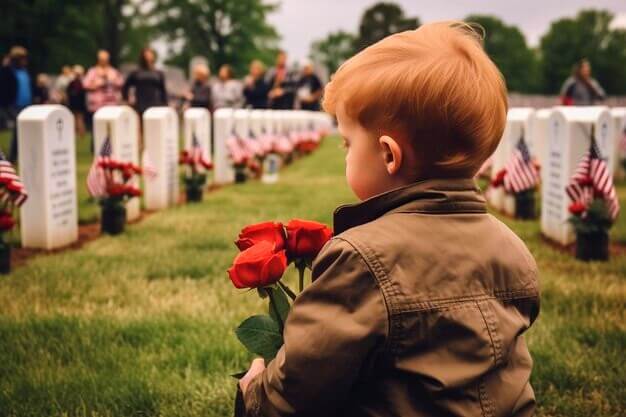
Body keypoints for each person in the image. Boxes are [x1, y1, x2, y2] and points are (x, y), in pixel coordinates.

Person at [239, 21, 540, 417]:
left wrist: (254, 392)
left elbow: (300, 388)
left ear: (389, 155)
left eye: (348, 143)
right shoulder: (512, 247)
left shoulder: (361, 259)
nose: (345, 153)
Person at [0, 46, 34, 162]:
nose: (25, 60)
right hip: (13, 105)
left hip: (26, 105)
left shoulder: (25, 71)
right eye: (21, 58)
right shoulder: (7, 71)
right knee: (18, 129)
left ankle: (25, 154)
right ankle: (12, 157)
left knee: (25, 129)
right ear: (15, 58)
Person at [83, 49, 123, 130]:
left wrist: (112, 81)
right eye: (102, 59)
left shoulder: (113, 71)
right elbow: (85, 84)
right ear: (98, 60)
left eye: (105, 59)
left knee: (111, 128)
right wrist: (98, 84)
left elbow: (121, 83)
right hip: (97, 105)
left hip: (112, 104)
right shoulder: (92, 71)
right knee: (97, 129)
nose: (104, 61)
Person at [122, 47, 168, 116]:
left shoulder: (158, 74)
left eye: (150, 54)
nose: (148, 57)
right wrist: (126, 99)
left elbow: (163, 90)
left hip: (156, 104)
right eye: (146, 55)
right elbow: (126, 86)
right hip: (141, 104)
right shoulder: (136, 73)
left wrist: (165, 103)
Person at [67, 65, 87, 136]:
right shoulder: (73, 83)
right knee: (76, 118)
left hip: (79, 104)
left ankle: (81, 133)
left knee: (79, 118)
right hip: (75, 103)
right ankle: (77, 133)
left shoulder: (82, 83)